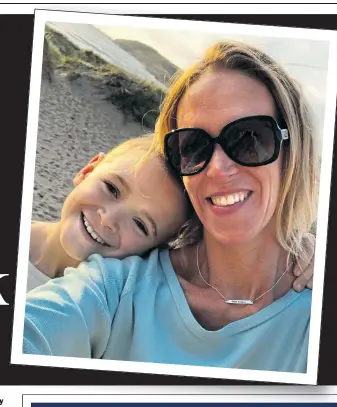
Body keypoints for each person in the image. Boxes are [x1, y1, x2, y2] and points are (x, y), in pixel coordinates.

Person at [23, 41, 317, 373]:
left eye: (249, 138)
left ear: (293, 152)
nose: (218, 168)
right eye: (193, 146)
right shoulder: (116, 288)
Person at [28, 135, 189, 291]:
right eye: (111, 188)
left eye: (140, 225)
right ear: (87, 171)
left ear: (154, 251)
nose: (108, 219)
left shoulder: (100, 316)